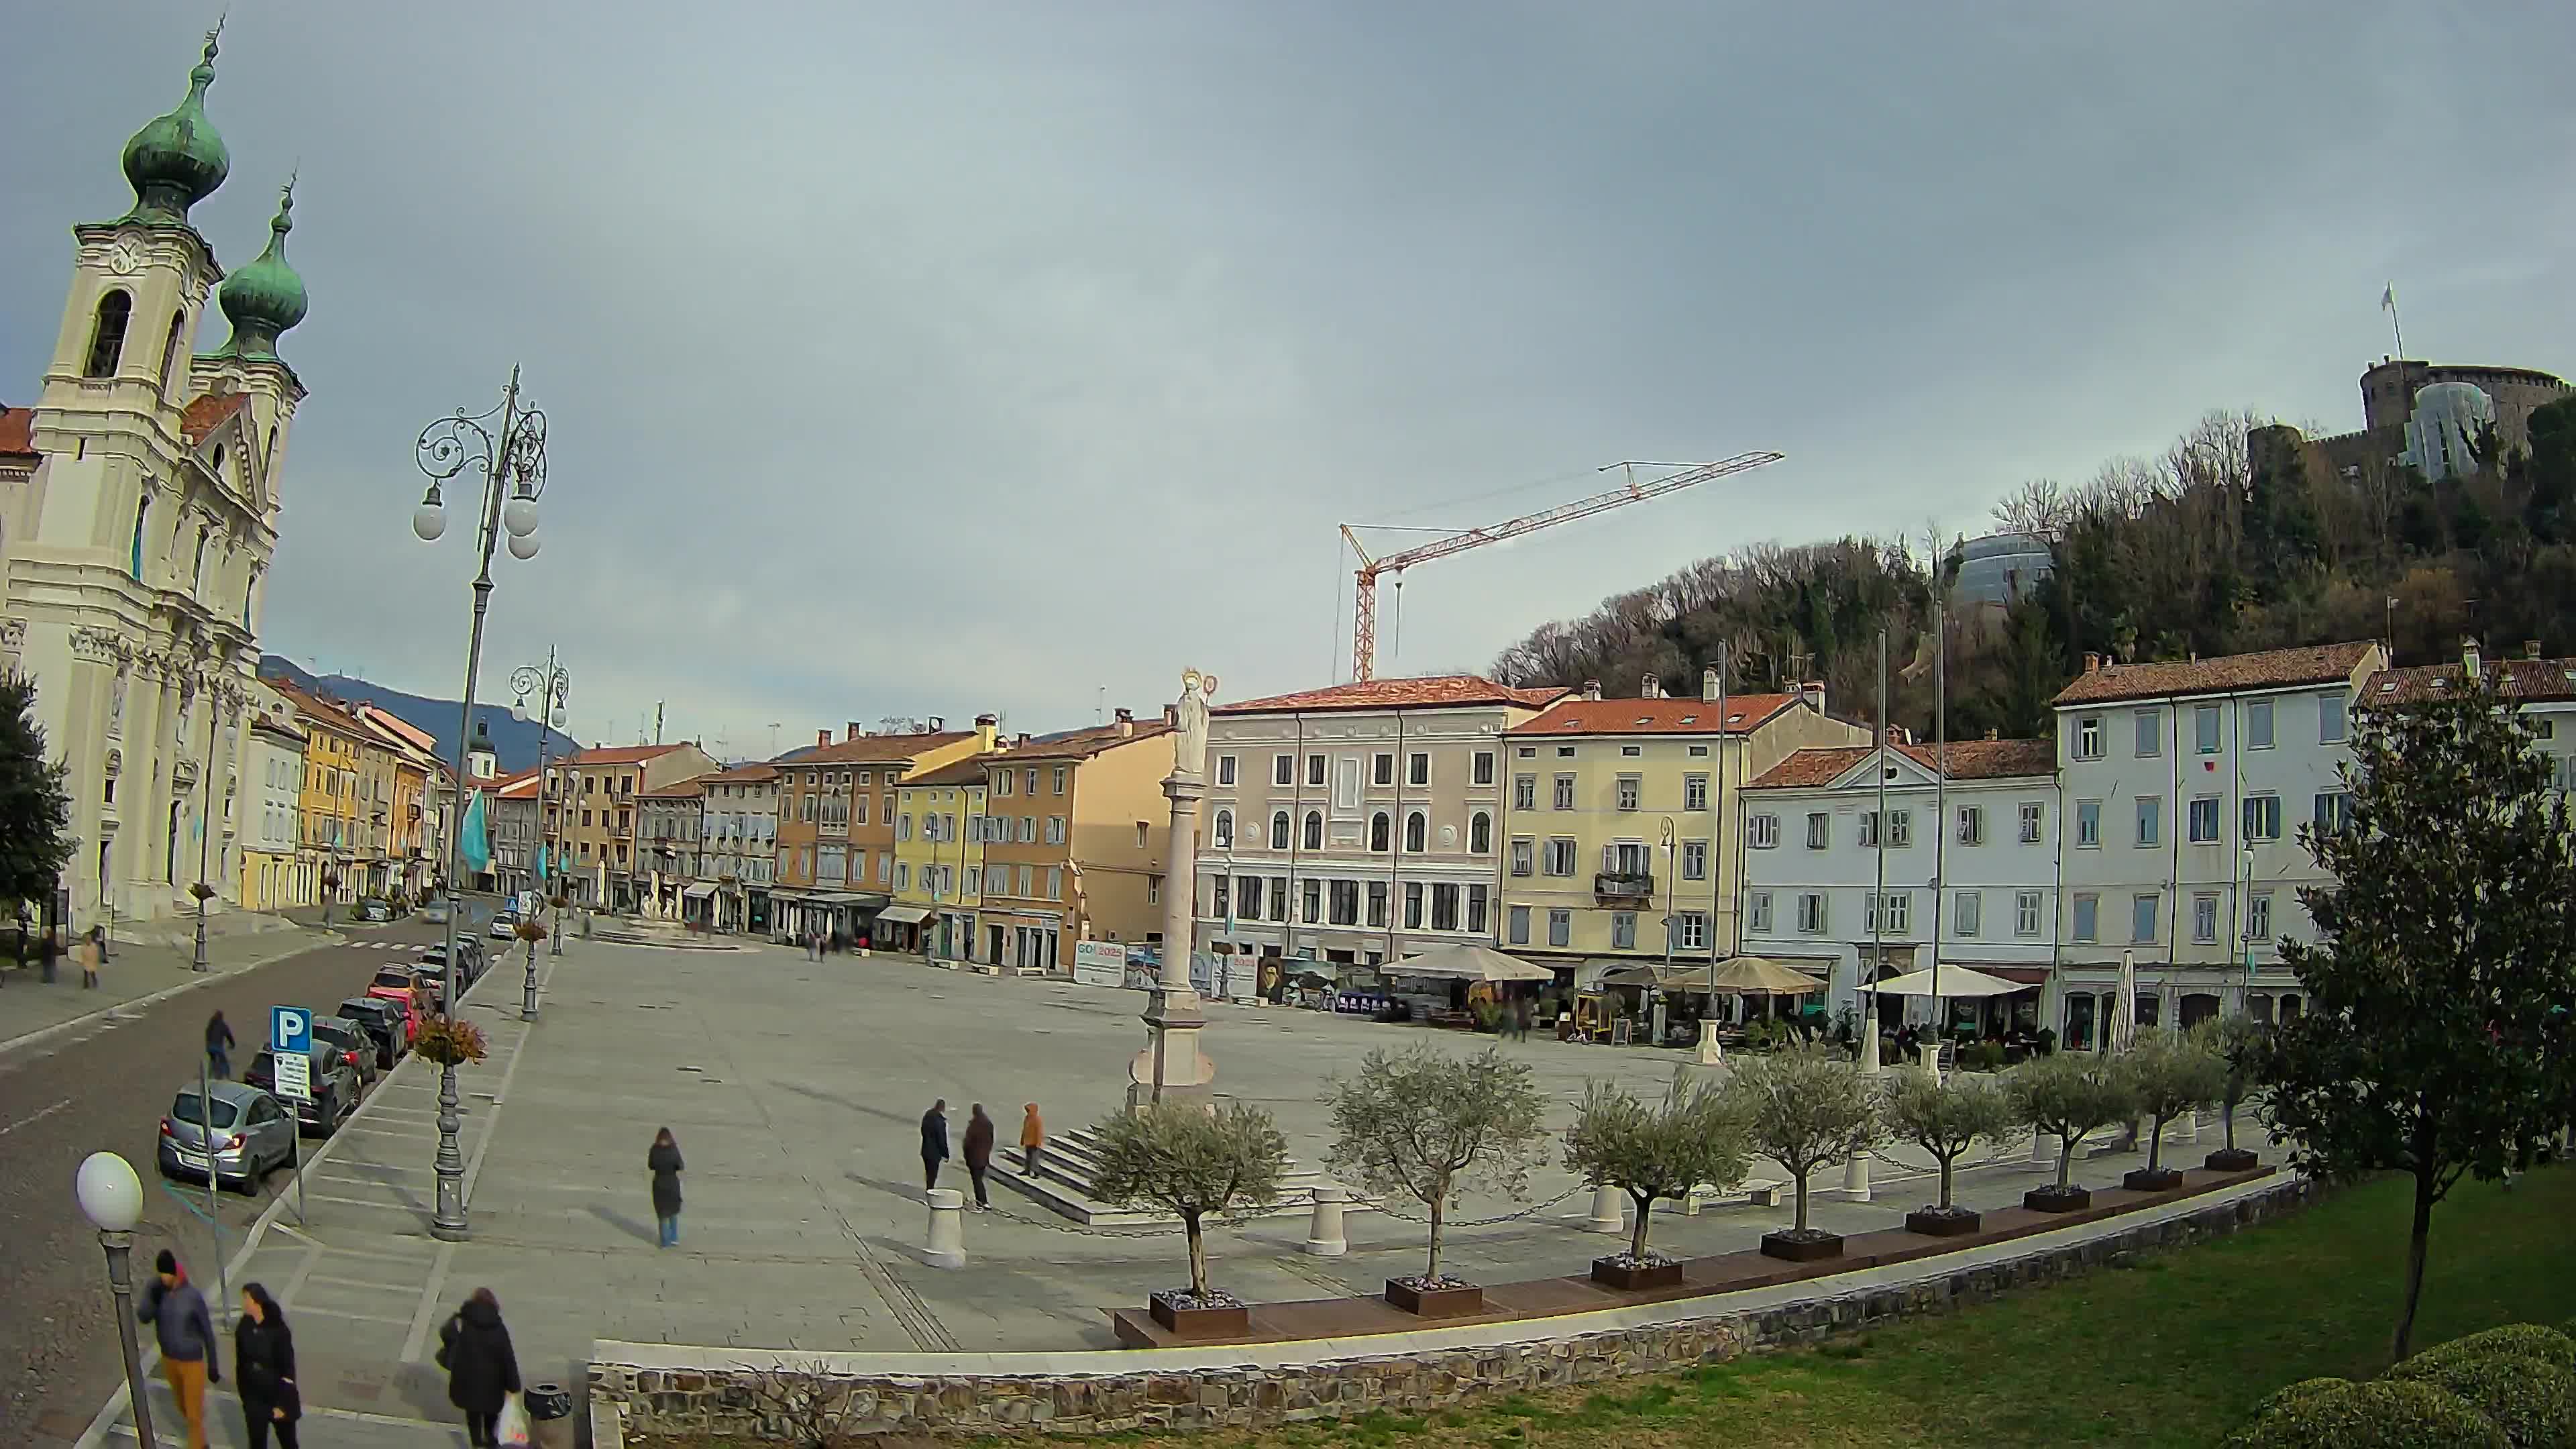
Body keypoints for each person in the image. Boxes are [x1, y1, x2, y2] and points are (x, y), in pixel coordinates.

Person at [139, 1249, 219, 1449]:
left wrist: (213, 1365)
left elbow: (207, 1331)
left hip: (192, 1361)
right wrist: (152, 1299)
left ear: (174, 1273)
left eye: (165, 1274)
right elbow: (144, 1317)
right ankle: (201, 1440)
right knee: (182, 1407)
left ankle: (198, 1446)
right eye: (160, 1273)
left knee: (193, 1414)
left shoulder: (192, 1297)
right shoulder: (156, 1289)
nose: (162, 1277)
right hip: (169, 1360)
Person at [439, 1287, 522, 1449]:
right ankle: (490, 1440)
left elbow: (446, 1333)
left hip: (468, 1380)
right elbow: (507, 1358)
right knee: (491, 1414)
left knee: (473, 1414)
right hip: (493, 1384)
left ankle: (476, 1443)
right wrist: (514, 1384)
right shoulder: (498, 1328)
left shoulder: (462, 1322)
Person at [234, 1282, 301, 1449]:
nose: (244, 1303)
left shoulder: (278, 1329)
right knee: (257, 1444)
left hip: (276, 1393)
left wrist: (282, 1404)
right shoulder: (244, 1326)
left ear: (257, 1302)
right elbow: (241, 1362)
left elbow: (288, 1368)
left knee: (288, 1443)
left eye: (246, 1299)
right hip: (254, 1398)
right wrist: (245, 1396)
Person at [649, 1126, 684, 1248]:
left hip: (659, 1184)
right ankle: (674, 1238)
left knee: (663, 1215)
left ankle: (665, 1242)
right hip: (672, 1184)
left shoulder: (654, 1150)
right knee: (673, 1212)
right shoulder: (673, 1150)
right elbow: (680, 1166)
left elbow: (651, 1165)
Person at [963, 1104, 996, 1210]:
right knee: (979, 1179)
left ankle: (982, 1202)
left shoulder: (974, 1125)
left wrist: (966, 1156)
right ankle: (981, 1201)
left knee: (977, 1181)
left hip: (974, 1158)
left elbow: (967, 1143)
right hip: (984, 1157)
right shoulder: (988, 1123)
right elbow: (991, 1140)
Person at [920, 1097, 949, 1191]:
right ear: (942, 1108)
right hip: (934, 1153)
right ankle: (930, 1193)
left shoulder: (927, 1116)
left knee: (929, 1172)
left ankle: (929, 1189)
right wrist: (946, 1154)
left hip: (925, 1150)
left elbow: (923, 1130)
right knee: (933, 1175)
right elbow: (942, 1140)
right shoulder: (940, 1122)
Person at [205, 1010, 235, 1081]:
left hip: (210, 1048)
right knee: (224, 1062)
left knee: (213, 1060)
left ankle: (209, 1077)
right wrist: (232, 1044)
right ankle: (228, 1077)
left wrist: (208, 1045)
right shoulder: (223, 1025)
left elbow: (207, 1035)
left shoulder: (211, 1024)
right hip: (218, 1047)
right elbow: (229, 1036)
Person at [1019, 1102, 1045, 1177]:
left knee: (1034, 1159)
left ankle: (1036, 1173)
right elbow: (1024, 1130)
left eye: (1028, 1110)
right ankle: (1027, 1170)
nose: (1027, 1111)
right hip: (1028, 1142)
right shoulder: (1027, 1118)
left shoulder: (1037, 1120)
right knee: (1028, 1158)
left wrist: (1038, 1143)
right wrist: (1022, 1139)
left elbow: (1039, 1132)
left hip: (1035, 1143)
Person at [79, 924, 104, 989]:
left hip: (91, 962)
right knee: (86, 974)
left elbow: (95, 954)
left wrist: (95, 961)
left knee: (92, 973)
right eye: (86, 940)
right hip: (87, 962)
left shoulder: (93, 946)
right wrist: (82, 961)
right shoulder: (84, 946)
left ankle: (94, 982)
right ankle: (86, 984)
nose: (87, 941)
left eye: (88, 940)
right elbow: (83, 954)